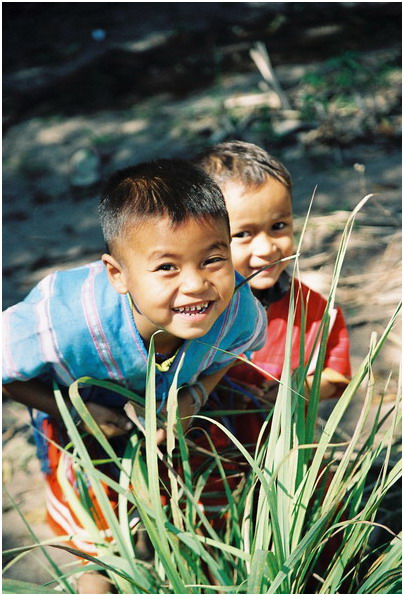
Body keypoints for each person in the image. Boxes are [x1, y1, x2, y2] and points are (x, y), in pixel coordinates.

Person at [2, 158, 267, 593]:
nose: (197, 284)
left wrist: (194, 397)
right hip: (82, 421)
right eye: (167, 267)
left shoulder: (234, 307)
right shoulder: (66, 321)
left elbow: (229, 356)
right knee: (95, 536)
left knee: (210, 498)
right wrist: (77, 409)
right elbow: (8, 374)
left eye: (213, 258)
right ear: (117, 274)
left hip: (174, 409)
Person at [194, 140, 351, 454]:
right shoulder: (191, 312)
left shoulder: (313, 310)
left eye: (279, 226)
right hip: (203, 461)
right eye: (243, 234)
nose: (267, 249)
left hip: (285, 461)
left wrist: (300, 388)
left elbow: (336, 374)